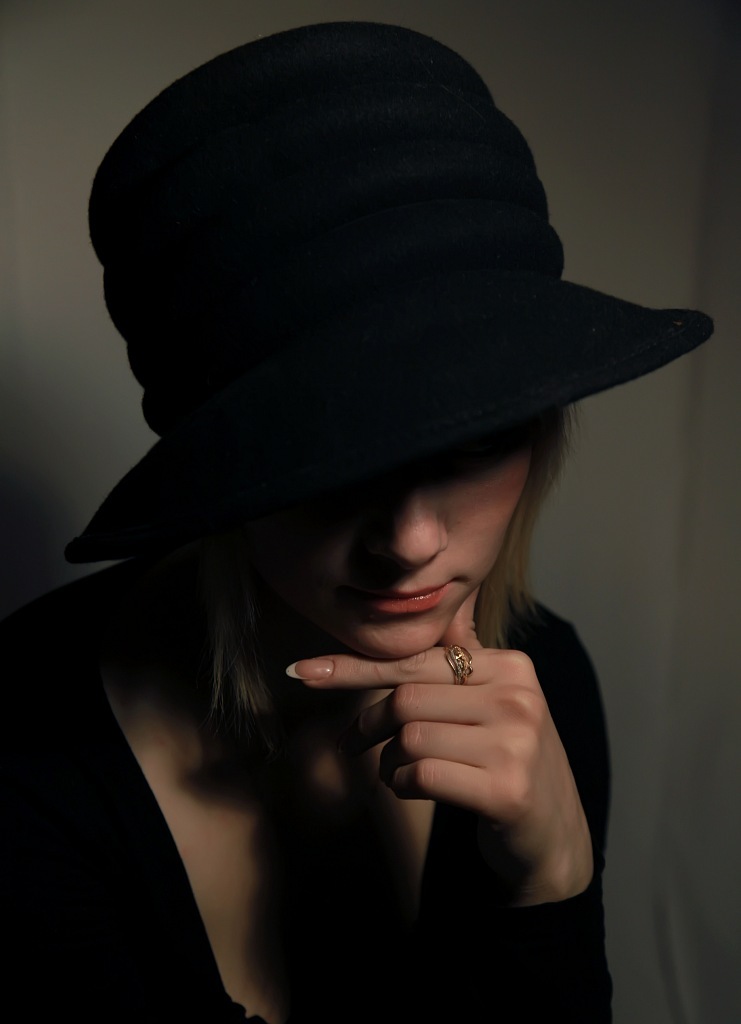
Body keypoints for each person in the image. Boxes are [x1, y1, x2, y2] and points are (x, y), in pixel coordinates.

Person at [0, 21, 712, 1024]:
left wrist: (548, 884)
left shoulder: (541, 685)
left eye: (474, 442)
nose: (410, 542)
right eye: (331, 461)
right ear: (223, 463)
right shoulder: (24, 746)